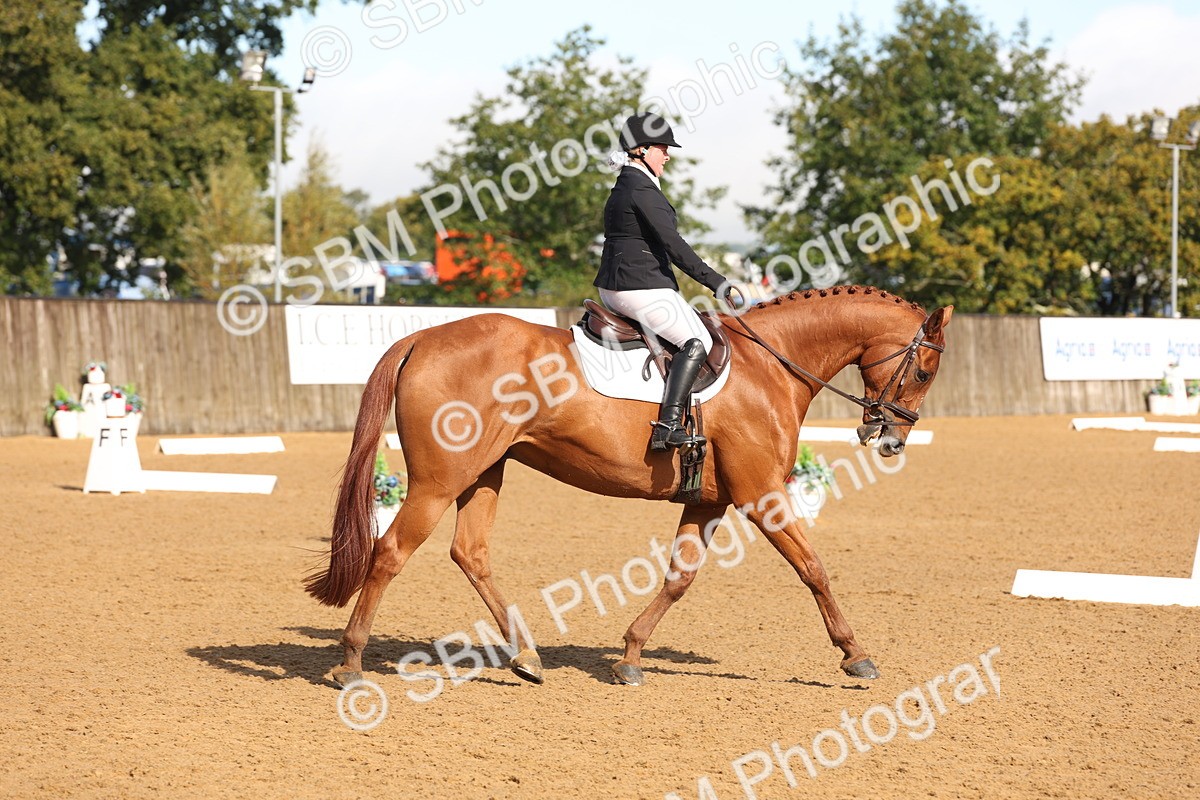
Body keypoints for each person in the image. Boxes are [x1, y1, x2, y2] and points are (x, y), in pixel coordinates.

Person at [594, 112, 734, 451]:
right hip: (638, 286)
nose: (668, 155)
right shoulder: (641, 188)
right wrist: (715, 282)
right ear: (641, 149)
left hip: (618, 286)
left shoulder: (629, 184)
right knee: (697, 340)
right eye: (662, 148)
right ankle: (668, 425)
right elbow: (674, 245)